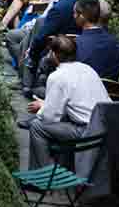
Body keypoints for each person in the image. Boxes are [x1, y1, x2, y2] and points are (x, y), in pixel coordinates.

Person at [25, 35, 111, 168]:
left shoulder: (57, 76)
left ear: (53, 54)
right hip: (106, 126)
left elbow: (49, 117)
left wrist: (43, 106)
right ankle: (59, 167)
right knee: (62, 120)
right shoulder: (88, 69)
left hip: (88, 132)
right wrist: (47, 104)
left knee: (37, 126)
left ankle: (45, 176)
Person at [74, 0, 119, 91]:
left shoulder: (75, 44)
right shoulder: (115, 43)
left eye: (74, 13)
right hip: (109, 102)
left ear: (82, 16)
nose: (73, 16)